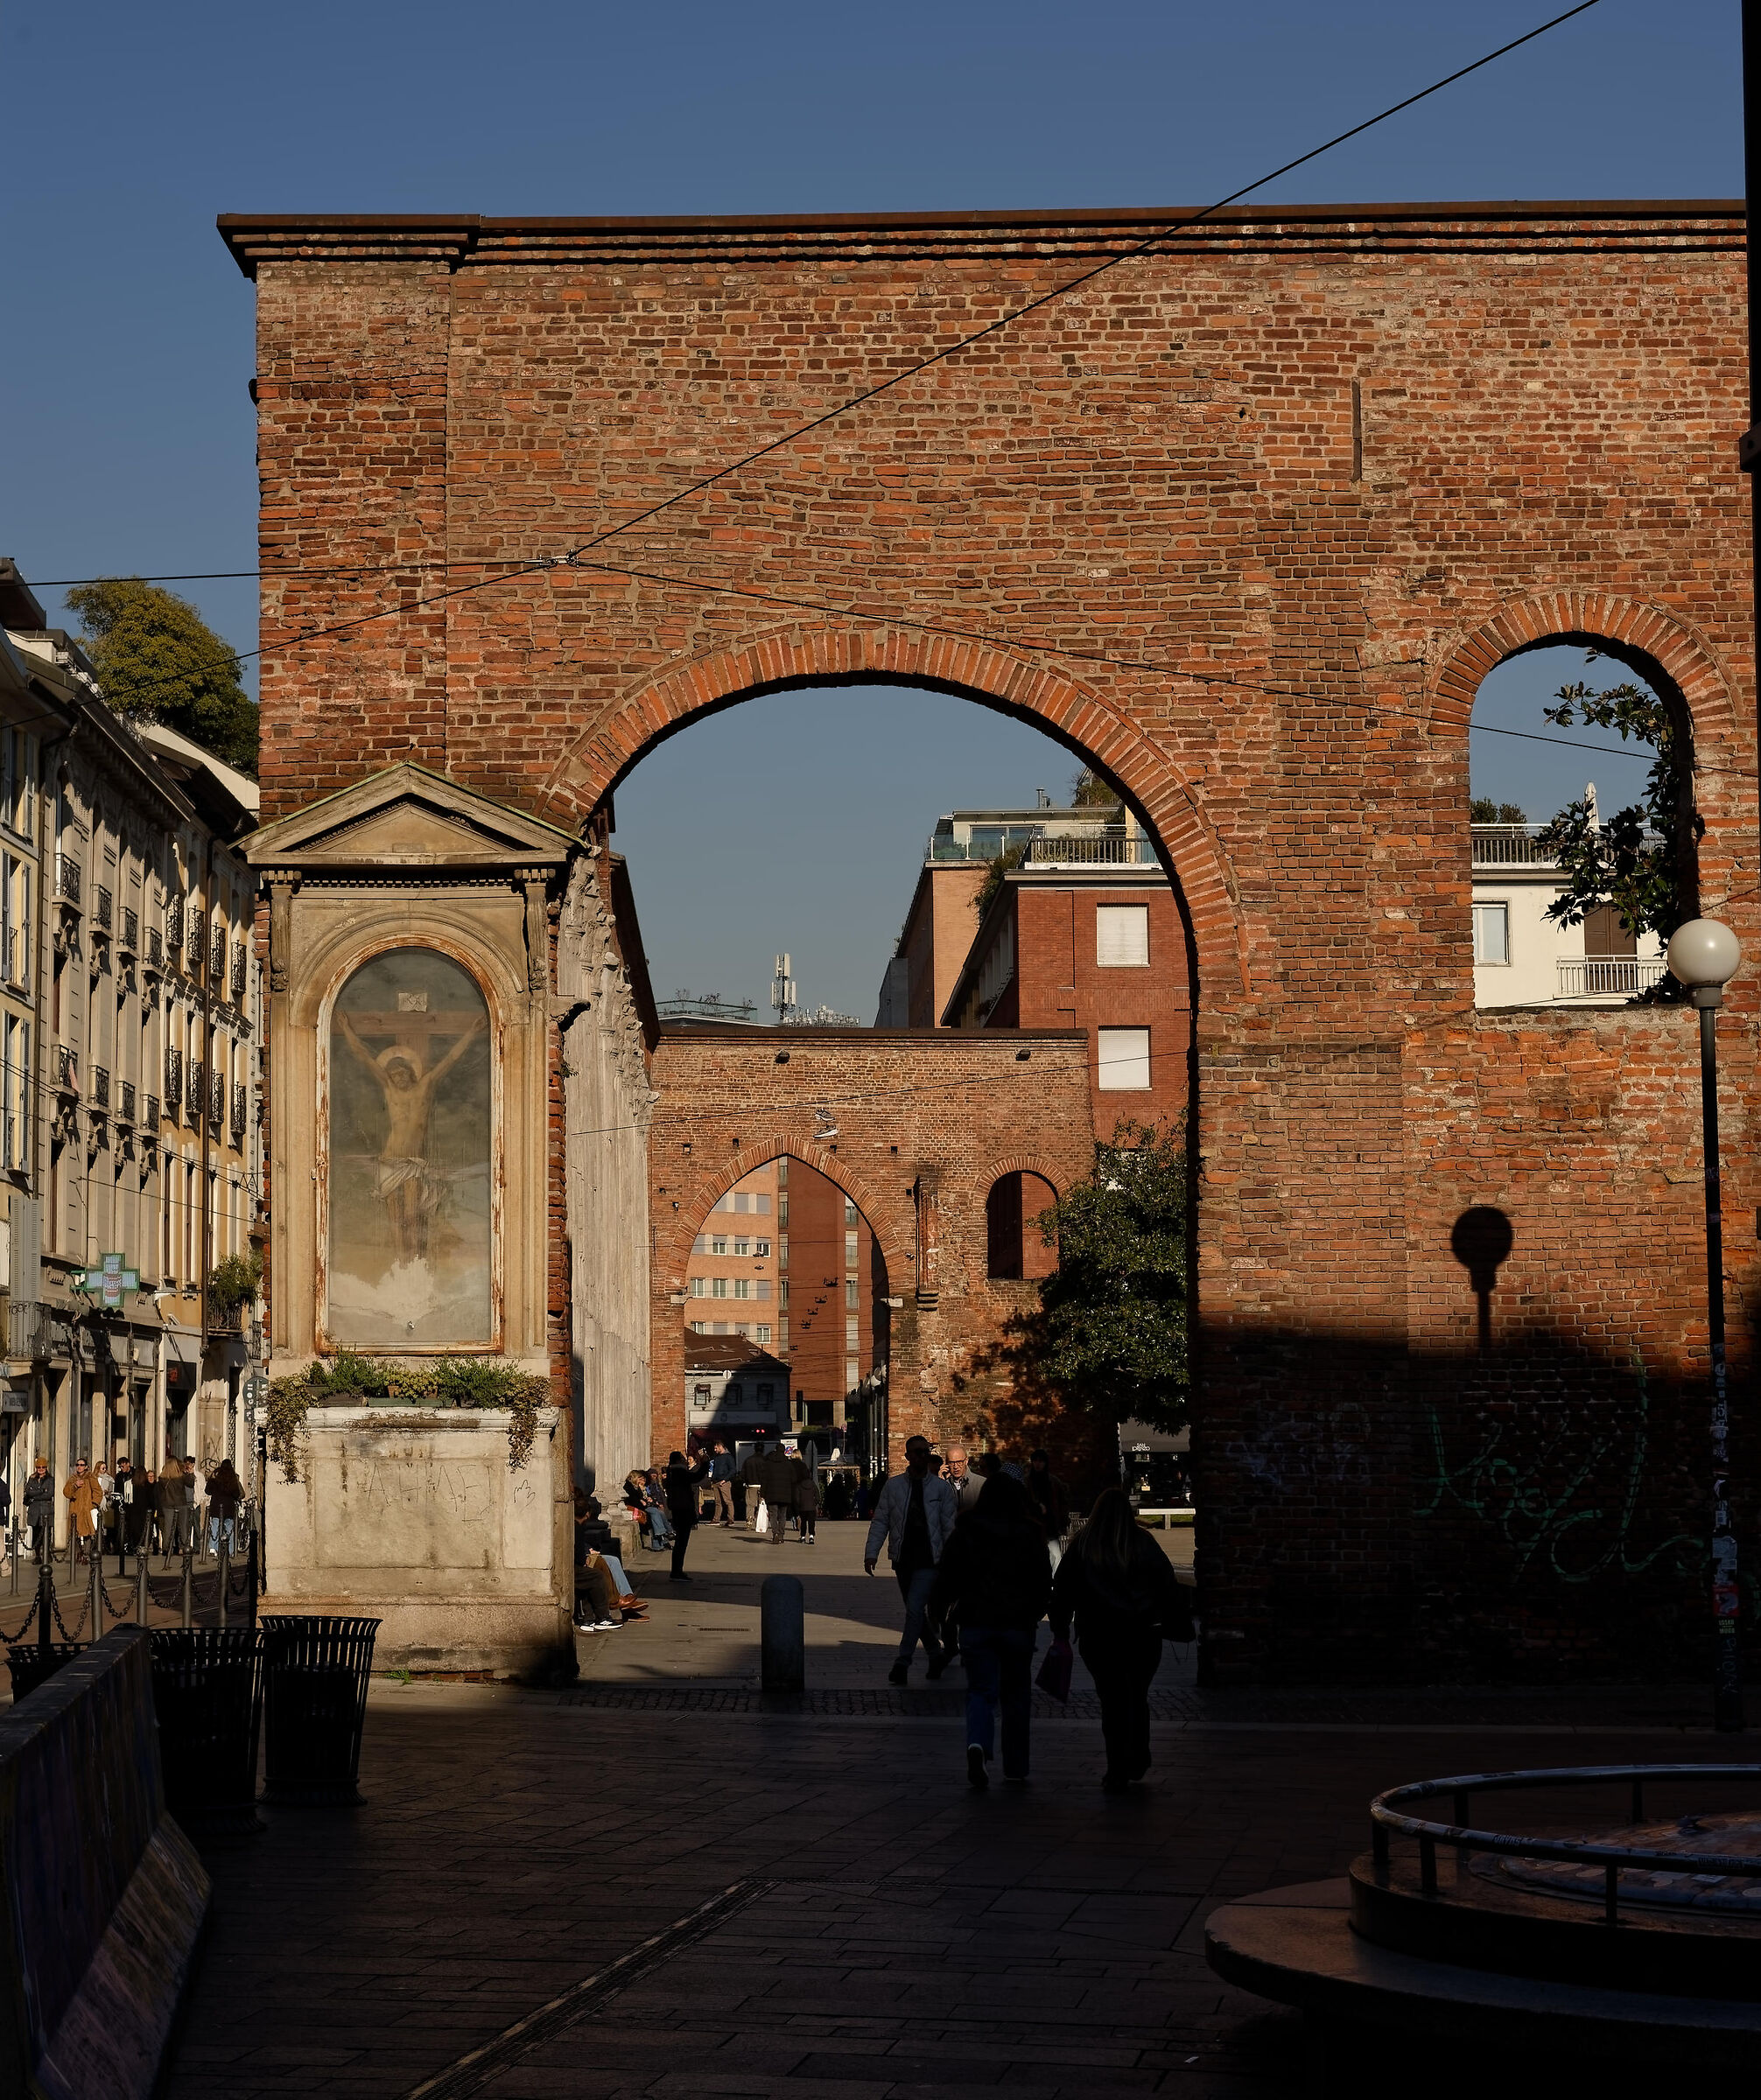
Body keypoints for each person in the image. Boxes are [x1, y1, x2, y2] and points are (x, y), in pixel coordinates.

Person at [1049, 1486, 1188, 1792]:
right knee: (1137, 1696)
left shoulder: (1083, 1546)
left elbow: (1063, 1591)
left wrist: (1060, 1630)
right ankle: (1138, 1753)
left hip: (1099, 1635)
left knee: (1111, 1700)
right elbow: (1167, 1585)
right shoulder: (1143, 1543)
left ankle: (1116, 1766)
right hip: (1142, 1632)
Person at [930, 1470, 1051, 1788]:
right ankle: (1015, 1765)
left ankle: (977, 1744)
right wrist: (1035, 1613)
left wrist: (939, 1611)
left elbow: (947, 1576)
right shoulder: (1029, 1532)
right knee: (1016, 1696)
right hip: (1016, 1624)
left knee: (981, 1691)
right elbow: (1042, 1580)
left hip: (976, 1621)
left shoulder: (966, 1531)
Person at [864, 1435, 957, 1684]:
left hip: (930, 1559)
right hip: (903, 1558)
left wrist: (951, 1560)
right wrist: (871, 1552)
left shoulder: (940, 1488)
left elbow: (949, 1527)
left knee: (915, 1609)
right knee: (915, 1612)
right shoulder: (894, 1487)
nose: (922, 1456)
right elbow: (881, 1519)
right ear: (907, 1456)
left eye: (925, 1452)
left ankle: (902, 1663)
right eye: (917, 1452)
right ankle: (935, 1655)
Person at [663, 1449, 707, 1579]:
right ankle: (676, 1571)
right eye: (682, 1458)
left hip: (677, 1509)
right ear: (678, 1460)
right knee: (681, 1542)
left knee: (680, 1542)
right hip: (683, 1509)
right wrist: (705, 1464)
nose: (684, 1460)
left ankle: (677, 1570)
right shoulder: (679, 1472)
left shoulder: (672, 1472)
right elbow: (696, 1477)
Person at [1025, 1448, 1072, 1570]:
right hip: (1032, 1526)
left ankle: (1054, 1583)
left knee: (1056, 1557)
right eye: (1035, 1461)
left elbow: (1062, 1503)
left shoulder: (1053, 1482)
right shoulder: (1027, 1482)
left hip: (1050, 1526)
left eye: (1041, 1461)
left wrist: (1063, 1522)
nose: (1038, 1464)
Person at [756, 1438, 798, 1547]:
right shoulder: (788, 1464)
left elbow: (764, 1480)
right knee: (783, 1516)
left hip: (771, 1493)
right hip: (785, 1494)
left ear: (775, 1450)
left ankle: (775, 1533)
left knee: (773, 1515)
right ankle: (781, 1535)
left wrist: (763, 1494)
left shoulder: (768, 1463)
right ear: (784, 1451)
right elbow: (794, 1479)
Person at [63, 1456, 100, 1564]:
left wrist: (93, 1504)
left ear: (86, 1467)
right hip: (75, 1510)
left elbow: (98, 1492)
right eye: (78, 1465)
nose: (79, 1467)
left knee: (87, 1532)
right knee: (75, 1532)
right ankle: (78, 1553)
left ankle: (86, 1554)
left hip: (86, 1510)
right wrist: (74, 1486)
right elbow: (66, 1492)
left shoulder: (90, 1477)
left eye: (82, 1465)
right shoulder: (73, 1478)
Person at [207, 1459, 245, 1556]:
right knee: (229, 1529)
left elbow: (208, 1491)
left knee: (215, 1526)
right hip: (229, 1506)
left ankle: (213, 1548)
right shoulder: (232, 1479)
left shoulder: (216, 1478)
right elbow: (236, 1494)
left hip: (216, 1505)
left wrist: (211, 1479)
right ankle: (231, 1550)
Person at [24, 1457, 53, 1560]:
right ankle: (37, 1555)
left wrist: (34, 1494)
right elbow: (28, 1491)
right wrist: (41, 1491)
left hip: (46, 1510)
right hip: (34, 1510)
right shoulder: (32, 1478)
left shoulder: (50, 1479)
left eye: (43, 1467)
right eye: (39, 1467)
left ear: (46, 1468)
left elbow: (49, 1494)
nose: (41, 1469)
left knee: (46, 1533)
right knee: (36, 1534)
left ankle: (47, 1553)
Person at [792, 1451, 820, 1544]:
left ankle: (803, 1536)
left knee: (803, 1522)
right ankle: (811, 1536)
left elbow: (797, 1497)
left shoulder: (799, 1486)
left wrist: (799, 1505)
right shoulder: (812, 1484)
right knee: (811, 1522)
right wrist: (814, 1503)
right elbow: (818, 1495)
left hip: (803, 1507)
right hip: (811, 1507)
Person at [708, 1438, 735, 1526]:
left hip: (724, 1482)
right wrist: (712, 1479)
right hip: (716, 1481)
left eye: (716, 1448)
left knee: (728, 1501)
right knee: (717, 1502)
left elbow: (733, 1470)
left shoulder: (728, 1457)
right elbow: (714, 1468)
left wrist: (725, 1480)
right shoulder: (716, 1457)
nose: (715, 1450)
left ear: (720, 1446)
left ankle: (730, 1519)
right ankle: (716, 1519)